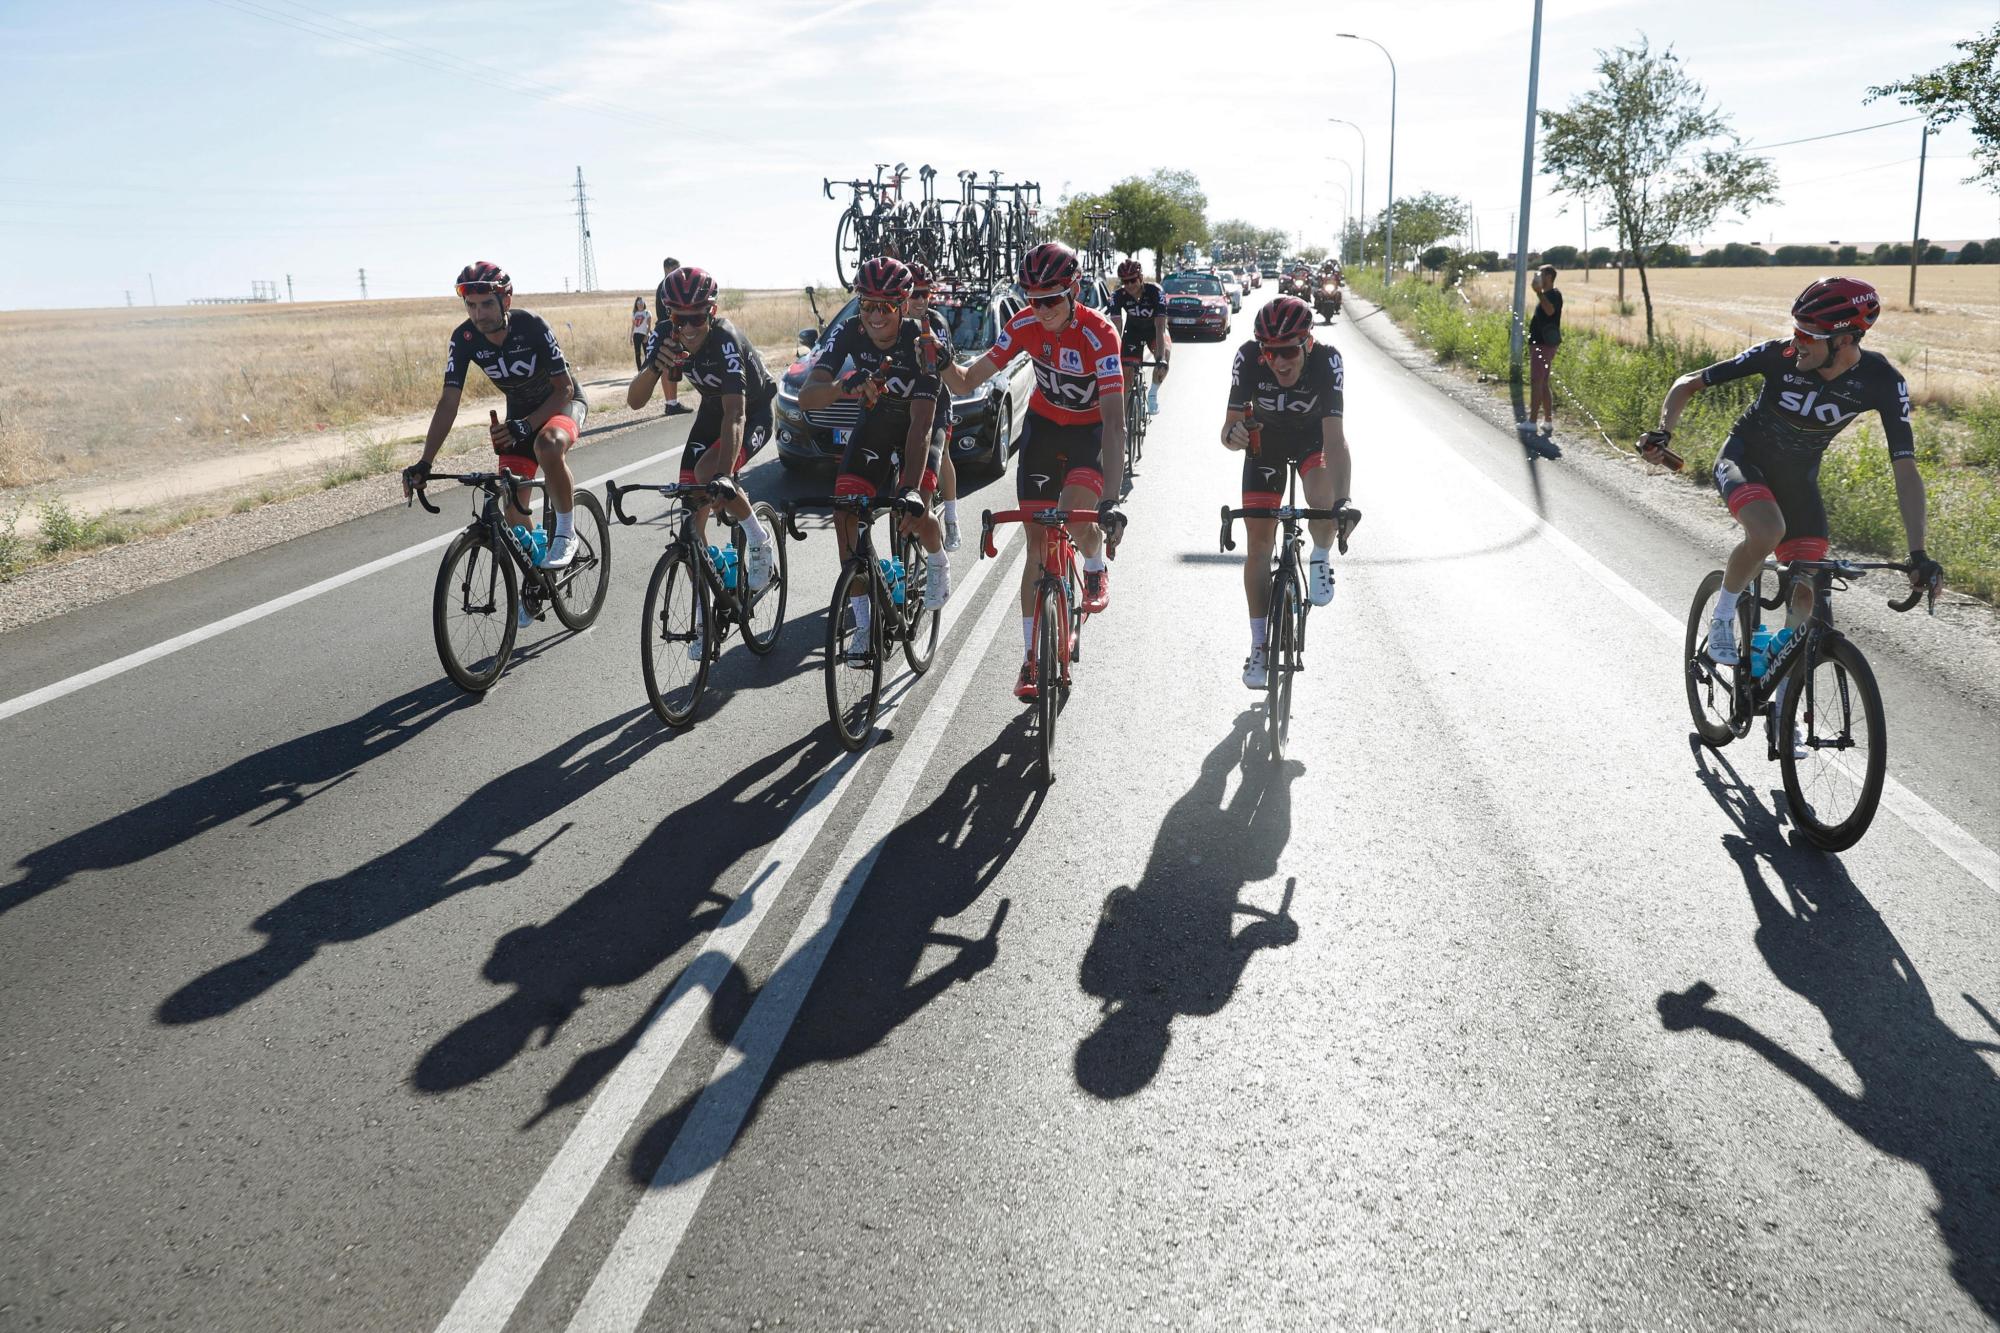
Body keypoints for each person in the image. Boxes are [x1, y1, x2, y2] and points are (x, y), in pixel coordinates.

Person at [1641, 276, 1939, 728]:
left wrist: (1918, 552)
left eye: (1808, 335)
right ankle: (1722, 617)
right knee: (1767, 530)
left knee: (1807, 595)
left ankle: (1782, 713)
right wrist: (1664, 432)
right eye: (1795, 329)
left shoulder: (1881, 381)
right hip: (1744, 459)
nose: (1796, 341)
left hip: (1798, 481)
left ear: (1844, 340)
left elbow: (1906, 469)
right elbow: (1688, 383)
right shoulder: (1777, 356)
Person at [943, 240, 1128, 700]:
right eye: (1033, 299)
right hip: (1044, 429)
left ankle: (1094, 561)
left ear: (1074, 291)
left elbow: (1115, 423)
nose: (1041, 310)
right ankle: (1030, 658)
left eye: (1051, 300)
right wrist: (939, 360)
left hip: (1089, 433)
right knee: (1037, 544)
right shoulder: (1023, 324)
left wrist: (1110, 500)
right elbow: (966, 381)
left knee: (1077, 519)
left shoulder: (1100, 335)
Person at [403, 262, 589, 622]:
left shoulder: (531, 326)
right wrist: (425, 461)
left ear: (506, 300)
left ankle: (566, 533)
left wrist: (526, 426)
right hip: (518, 416)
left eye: (486, 304)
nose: (479, 315)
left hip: (562, 403)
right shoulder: (464, 338)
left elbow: (564, 388)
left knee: (548, 445)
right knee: (513, 509)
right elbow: (449, 401)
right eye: (471, 306)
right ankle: (537, 577)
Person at [798, 257, 952, 659]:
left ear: (903, 306)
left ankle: (937, 561)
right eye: (867, 304)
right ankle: (864, 624)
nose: (875, 315)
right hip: (879, 417)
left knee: (914, 512)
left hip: (925, 418)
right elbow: (807, 397)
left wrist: (911, 490)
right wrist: (840, 385)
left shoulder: (923, 340)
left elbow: (921, 426)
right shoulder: (850, 330)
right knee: (845, 513)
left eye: (885, 306)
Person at [1221, 295, 1356, 689]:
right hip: (1265, 445)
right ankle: (1259, 646)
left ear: (1307, 344)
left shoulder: (1327, 361)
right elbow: (1227, 432)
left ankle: (1320, 555)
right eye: (1270, 351)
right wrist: (1234, 436)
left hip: (1314, 441)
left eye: (1289, 351)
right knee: (1259, 546)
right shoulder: (1247, 358)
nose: (1279, 361)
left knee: (1323, 503)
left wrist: (1343, 502)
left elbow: (1335, 439)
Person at [626, 266, 780, 604]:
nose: (688, 328)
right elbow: (634, 401)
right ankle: (704, 607)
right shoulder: (665, 334)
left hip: (752, 412)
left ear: (712, 311)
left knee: (710, 473)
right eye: (679, 319)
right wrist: (654, 368)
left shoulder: (725, 339)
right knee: (691, 520)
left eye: (696, 318)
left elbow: (736, 414)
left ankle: (758, 538)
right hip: (712, 411)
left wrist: (724, 475)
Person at [905, 261, 962, 551]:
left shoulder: (936, 322)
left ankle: (951, 517)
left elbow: (944, 367)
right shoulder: (892, 321)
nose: (920, 300)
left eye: (925, 293)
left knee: (943, 455)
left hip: (936, 399)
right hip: (904, 402)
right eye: (913, 293)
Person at [1107, 258, 1170, 416]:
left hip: (1154, 330)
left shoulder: (1155, 291)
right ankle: (1122, 419)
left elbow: (1160, 327)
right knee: (1126, 372)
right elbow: (1116, 328)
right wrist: (1114, 356)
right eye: (1125, 281)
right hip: (1133, 331)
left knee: (1165, 356)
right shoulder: (1118, 295)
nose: (1129, 285)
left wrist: (1161, 358)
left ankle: (1153, 394)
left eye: (1133, 280)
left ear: (1141, 277)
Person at [1527, 264, 1562, 454]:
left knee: (1537, 381)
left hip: (1543, 344)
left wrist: (1538, 293)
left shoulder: (1553, 294)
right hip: (1541, 343)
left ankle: (1532, 422)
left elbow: (1549, 311)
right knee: (1543, 382)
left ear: (1549, 276)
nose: (1537, 276)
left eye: (1541, 273)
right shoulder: (1547, 294)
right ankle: (1547, 421)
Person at [652, 258, 691, 416]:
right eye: (676, 269)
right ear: (667, 269)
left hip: (667, 329)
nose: (679, 272)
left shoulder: (665, 285)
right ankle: (671, 404)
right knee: (669, 366)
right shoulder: (668, 285)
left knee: (669, 366)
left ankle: (671, 403)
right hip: (669, 330)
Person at [630, 297, 652, 371]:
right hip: (636, 335)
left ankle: (646, 369)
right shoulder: (634, 313)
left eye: (642, 303)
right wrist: (631, 337)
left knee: (647, 354)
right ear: (636, 304)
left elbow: (649, 325)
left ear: (644, 303)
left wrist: (647, 336)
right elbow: (633, 326)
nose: (640, 304)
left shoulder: (647, 313)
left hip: (644, 335)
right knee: (637, 354)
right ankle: (639, 371)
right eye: (639, 303)